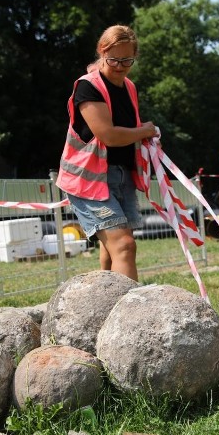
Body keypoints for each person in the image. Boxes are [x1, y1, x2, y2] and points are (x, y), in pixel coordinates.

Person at [56, 25, 160, 281]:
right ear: (102, 52)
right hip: (88, 181)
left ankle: (102, 304)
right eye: (114, 59)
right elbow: (109, 135)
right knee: (124, 245)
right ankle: (129, 316)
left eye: (128, 60)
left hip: (121, 175)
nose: (120, 66)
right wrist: (145, 130)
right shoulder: (87, 87)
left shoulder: (129, 87)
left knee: (111, 246)